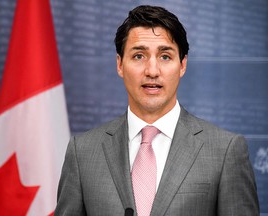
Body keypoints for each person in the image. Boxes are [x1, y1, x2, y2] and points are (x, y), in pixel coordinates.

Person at [55, 5, 259, 216]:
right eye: (139, 56)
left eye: (165, 57)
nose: (152, 71)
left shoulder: (225, 151)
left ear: (182, 65)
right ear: (119, 65)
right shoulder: (82, 152)